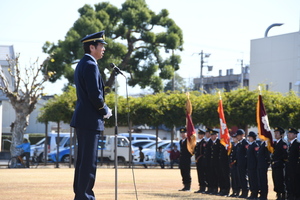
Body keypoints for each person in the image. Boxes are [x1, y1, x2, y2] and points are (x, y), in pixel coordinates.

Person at [70, 30, 112, 200]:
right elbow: (94, 95)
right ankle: (85, 196)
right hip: (89, 120)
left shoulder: (84, 63)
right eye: (101, 46)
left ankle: (81, 195)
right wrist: (105, 110)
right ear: (92, 47)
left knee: (83, 162)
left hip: (84, 120)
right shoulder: (90, 64)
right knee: (88, 163)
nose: (103, 49)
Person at [271, 126, 288, 200]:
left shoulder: (283, 143)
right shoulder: (275, 143)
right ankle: (278, 194)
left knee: (281, 180)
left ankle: (283, 195)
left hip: (280, 165)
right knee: (275, 180)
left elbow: (285, 155)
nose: (276, 134)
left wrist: (280, 161)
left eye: (277, 133)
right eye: (275, 133)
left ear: (281, 134)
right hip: (275, 165)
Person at [285, 128, 300, 200]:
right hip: (289, 167)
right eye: (288, 133)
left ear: (295, 135)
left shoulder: (297, 144)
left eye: (291, 133)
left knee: (295, 182)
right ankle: (291, 195)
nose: (289, 135)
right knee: (290, 182)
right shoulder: (289, 144)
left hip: (295, 168)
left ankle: (296, 196)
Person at [235, 129, 249, 198]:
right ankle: (243, 191)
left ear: (242, 135)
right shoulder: (239, 143)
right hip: (239, 164)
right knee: (240, 178)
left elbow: (247, 153)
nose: (237, 137)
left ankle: (245, 192)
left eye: (238, 135)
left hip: (243, 164)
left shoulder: (245, 143)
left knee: (244, 178)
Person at [246, 131, 259, 199]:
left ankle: (255, 193)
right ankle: (252, 193)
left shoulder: (255, 145)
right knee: (251, 180)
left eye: (250, 137)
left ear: (253, 138)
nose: (249, 138)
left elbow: (256, 156)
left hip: (253, 166)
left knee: (254, 180)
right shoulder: (250, 145)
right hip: (250, 166)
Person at [194, 129, 207, 193]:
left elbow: (203, 153)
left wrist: (199, 158)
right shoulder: (198, 143)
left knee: (202, 174)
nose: (199, 136)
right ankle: (201, 186)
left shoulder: (204, 143)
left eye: (200, 134)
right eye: (198, 134)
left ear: (203, 135)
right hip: (198, 162)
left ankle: (203, 187)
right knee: (199, 174)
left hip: (202, 161)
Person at [209, 129, 221, 195]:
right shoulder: (210, 142)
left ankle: (218, 189)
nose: (212, 136)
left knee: (217, 176)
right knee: (212, 176)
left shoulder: (219, 142)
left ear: (216, 135)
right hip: (212, 162)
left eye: (213, 135)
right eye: (211, 135)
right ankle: (214, 189)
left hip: (217, 163)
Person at [203, 128, 213, 194]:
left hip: (210, 162)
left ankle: (211, 188)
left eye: (207, 133)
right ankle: (208, 188)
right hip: (206, 161)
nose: (206, 134)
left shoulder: (211, 142)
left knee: (211, 175)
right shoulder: (206, 141)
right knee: (207, 175)